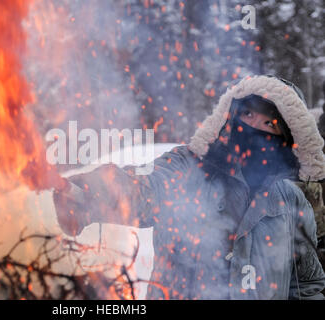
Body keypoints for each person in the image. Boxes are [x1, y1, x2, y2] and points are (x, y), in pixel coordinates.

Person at [53, 75, 325, 299]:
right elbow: (142, 188)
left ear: (287, 138)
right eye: (248, 114)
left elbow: (307, 285)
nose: (254, 127)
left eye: (269, 123)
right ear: (229, 116)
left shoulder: (290, 200)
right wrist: (81, 193)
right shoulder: (187, 167)